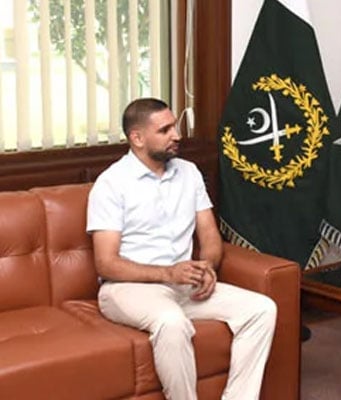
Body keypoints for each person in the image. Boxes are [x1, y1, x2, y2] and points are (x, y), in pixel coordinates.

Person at [86, 98, 277, 400]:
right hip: (127, 288)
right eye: (165, 130)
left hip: (183, 284)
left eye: (175, 126)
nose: (176, 135)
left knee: (262, 309)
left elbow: (210, 236)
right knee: (171, 322)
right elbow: (106, 263)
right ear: (137, 138)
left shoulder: (188, 172)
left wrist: (207, 268)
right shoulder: (112, 184)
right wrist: (168, 272)